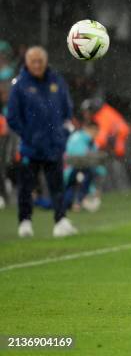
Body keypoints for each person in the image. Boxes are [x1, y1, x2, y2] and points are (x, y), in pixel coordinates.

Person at [6, 46, 78, 237]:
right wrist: (28, 134)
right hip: (30, 147)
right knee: (26, 187)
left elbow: (67, 110)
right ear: (27, 63)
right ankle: (25, 222)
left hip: (54, 145)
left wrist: (62, 133)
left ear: (45, 62)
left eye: (40, 61)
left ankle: (61, 221)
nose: (37, 65)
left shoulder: (57, 81)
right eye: (33, 61)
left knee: (57, 186)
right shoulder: (20, 85)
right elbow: (12, 117)